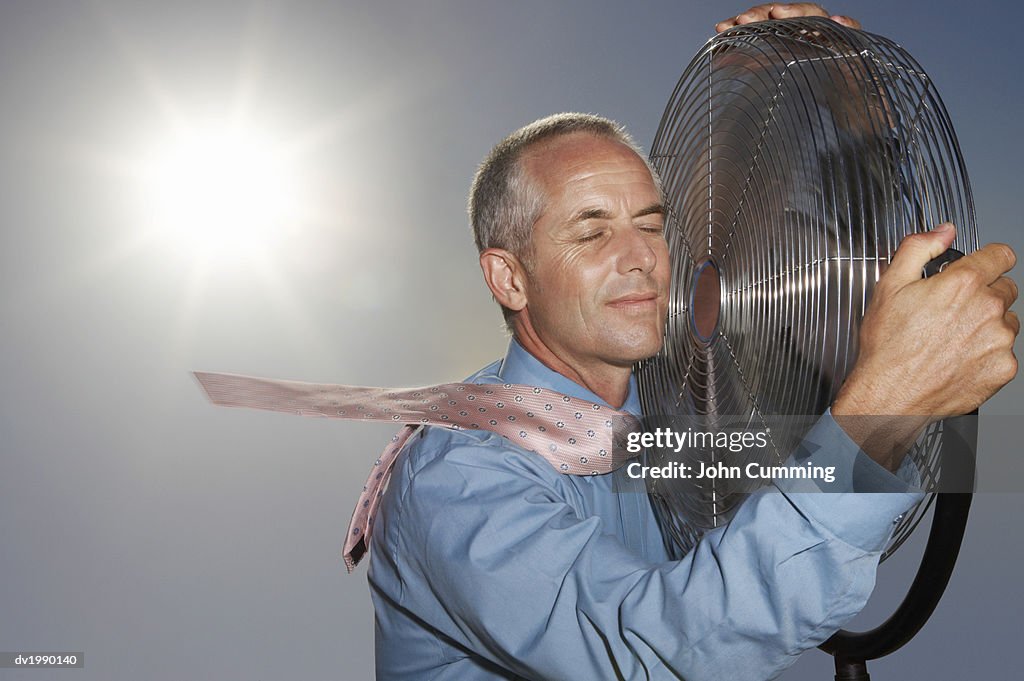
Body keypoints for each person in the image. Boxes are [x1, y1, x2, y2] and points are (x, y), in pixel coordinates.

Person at [365, 5, 1019, 680]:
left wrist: (851, 107)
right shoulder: (459, 473)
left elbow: (818, 437)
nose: (641, 257)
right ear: (509, 277)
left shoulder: (662, 431)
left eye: (651, 226)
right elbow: (655, 649)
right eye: (592, 233)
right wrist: (885, 407)